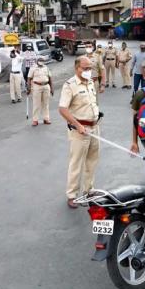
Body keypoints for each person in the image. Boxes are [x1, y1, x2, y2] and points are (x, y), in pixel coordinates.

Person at [58, 56, 100, 209]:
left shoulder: (90, 83)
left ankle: (89, 190)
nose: (89, 71)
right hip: (80, 131)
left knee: (92, 160)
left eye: (90, 68)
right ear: (77, 68)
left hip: (94, 127)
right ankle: (72, 194)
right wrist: (77, 125)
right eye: (85, 68)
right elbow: (62, 109)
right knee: (76, 163)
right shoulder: (70, 85)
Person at [27, 57, 54, 126]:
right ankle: (35, 120)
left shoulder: (46, 68)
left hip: (46, 86)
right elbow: (29, 78)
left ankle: (46, 119)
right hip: (37, 86)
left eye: (42, 61)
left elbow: (50, 78)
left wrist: (52, 88)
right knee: (36, 104)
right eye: (40, 60)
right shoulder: (33, 68)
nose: (41, 62)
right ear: (37, 61)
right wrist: (29, 88)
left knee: (46, 103)